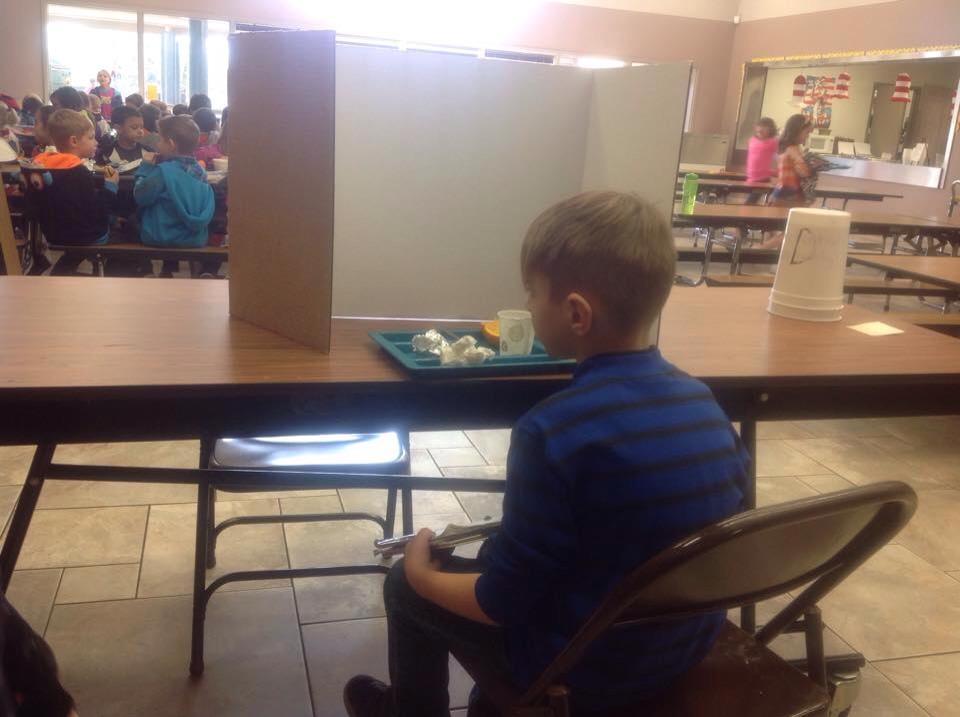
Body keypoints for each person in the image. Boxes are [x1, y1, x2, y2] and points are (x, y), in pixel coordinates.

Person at [343, 191, 750, 717]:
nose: (529, 305)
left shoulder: (552, 430)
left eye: (532, 293)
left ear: (577, 313)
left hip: (581, 668)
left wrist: (423, 574)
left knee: (406, 586)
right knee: (493, 561)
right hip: (679, 648)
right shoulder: (705, 403)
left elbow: (502, 604)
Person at [26, 109, 119, 274]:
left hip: (54, 233)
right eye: (91, 137)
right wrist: (111, 185)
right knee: (126, 230)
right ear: (74, 141)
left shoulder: (41, 166)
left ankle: (62, 272)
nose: (96, 142)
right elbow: (97, 212)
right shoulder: (78, 172)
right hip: (86, 235)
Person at [134, 115, 214, 252]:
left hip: (160, 236)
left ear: (171, 144)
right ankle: (168, 268)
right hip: (194, 238)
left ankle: (145, 270)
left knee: (129, 221)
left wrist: (145, 167)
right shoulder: (201, 172)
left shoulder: (163, 172)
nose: (157, 144)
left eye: (160, 139)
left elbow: (141, 197)